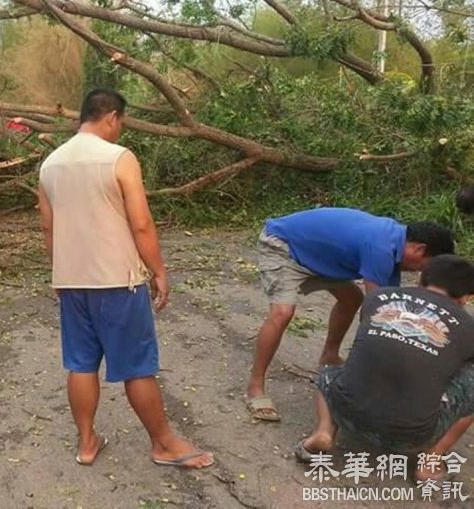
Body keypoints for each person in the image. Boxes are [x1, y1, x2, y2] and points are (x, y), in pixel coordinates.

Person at [38, 88, 214, 470]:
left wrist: (60, 272)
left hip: (72, 281)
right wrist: (160, 271)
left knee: (81, 364)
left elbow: (48, 229)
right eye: (121, 123)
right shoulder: (119, 158)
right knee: (136, 365)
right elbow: (141, 223)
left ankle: (86, 443)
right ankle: (164, 443)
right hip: (118, 280)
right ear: (113, 117)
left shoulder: (50, 164)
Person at [246, 208, 454, 423]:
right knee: (282, 313)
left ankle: (329, 356)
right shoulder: (380, 247)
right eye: (423, 266)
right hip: (284, 245)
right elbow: (375, 313)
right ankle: (255, 387)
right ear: (420, 249)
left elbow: (392, 306)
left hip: (322, 256)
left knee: (352, 299)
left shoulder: (394, 245)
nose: (419, 272)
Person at [298, 254, 474, 482]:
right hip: (412, 437)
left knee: (330, 370)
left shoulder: (378, 297)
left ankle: (324, 430)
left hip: (347, 413)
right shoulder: (469, 326)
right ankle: (429, 463)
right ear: (466, 298)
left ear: (421, 279)